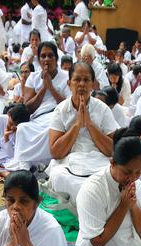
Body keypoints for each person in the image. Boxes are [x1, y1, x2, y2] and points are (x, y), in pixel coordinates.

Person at [47, 61, 118, 200]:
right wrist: (77, 125)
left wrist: (90, 124)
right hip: (69, 162)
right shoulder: (60, 110)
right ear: (69, 83)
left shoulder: (102, 109)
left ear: (93, 84)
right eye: (77, 79)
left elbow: (112, 150)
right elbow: (55, 152)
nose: (82, 84)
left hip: (98, 161)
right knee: (58, 175)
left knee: (111, 176)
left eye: (86, 80)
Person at [12, 41, 69, 168]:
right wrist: (43, 88)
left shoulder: (66, 77)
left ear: (56, 58)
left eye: (50, 56)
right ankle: (25, 166)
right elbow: (27, 107)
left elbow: (68, 105)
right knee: (22, 129)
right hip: (37, 117)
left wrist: (51, 88)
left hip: (57, 115)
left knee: (50, 129)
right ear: (38, 59)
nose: (47, 59)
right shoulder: (33, 77)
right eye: (43, 56)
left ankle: (44, 164)